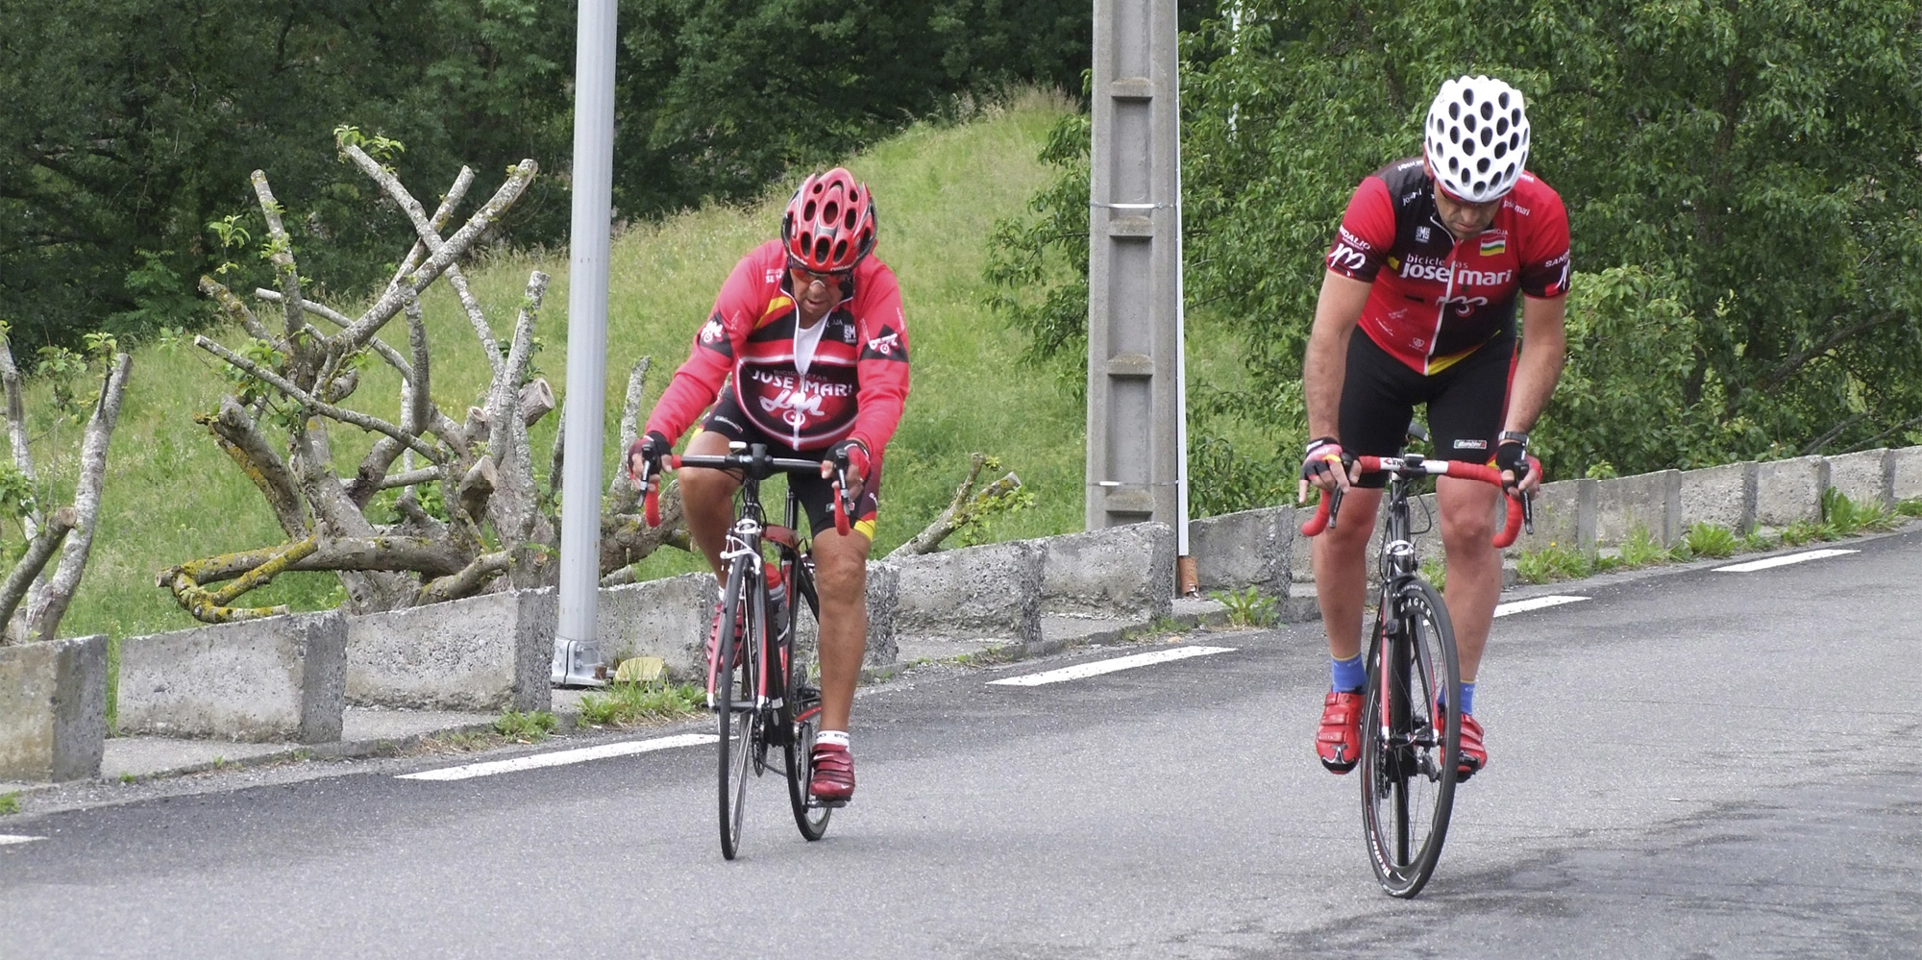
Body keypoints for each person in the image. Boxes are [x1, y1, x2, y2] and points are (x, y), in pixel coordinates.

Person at [1298, 75, 1570, 781]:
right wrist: (1322, 439)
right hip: (1381, 357)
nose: (1466, 214)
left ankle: (1460, 707)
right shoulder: (1384, 200)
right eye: (1453, 196)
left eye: (1483, 204)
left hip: (1473, 365)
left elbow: (1542, 341)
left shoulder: (1538, 216)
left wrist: (1515, 438)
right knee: (1345, 518)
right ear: (1431, 162)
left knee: (1468, 524)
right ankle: (1346, 685)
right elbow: (1330, 332)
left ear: (1508, 187)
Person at [628, 167, 909, 806]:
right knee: (697, 475)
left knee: (841, 569)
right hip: (755, 414)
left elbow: (886, 389)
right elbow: (704, 365)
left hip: (839, 444)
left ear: (857, 263)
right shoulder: (755, 273)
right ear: (787, 249)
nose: (814, 286)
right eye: (804, 269)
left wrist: (861, 449)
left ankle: (834, 742)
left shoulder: (876, 290)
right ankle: (749, 591)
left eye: (830, 276)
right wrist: (657, 435)